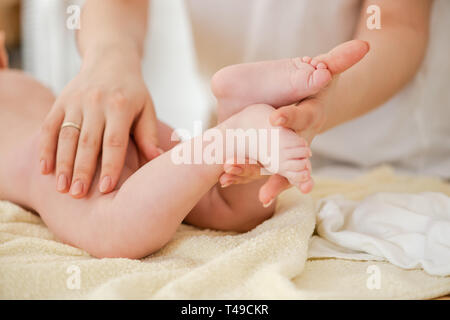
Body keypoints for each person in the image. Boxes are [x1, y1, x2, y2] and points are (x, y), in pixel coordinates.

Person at [0, 33, 368, 258]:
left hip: (52, 155)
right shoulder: (23, 82)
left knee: (114, 229)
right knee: (226, 207)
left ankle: (230, 136)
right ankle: (243, 106)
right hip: (110, 116)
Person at [38, 0, 438, 203]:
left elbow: (395, 19)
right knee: (229, 200)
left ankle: (247, 114)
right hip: (250, 138)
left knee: (222, 204)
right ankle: (244, 110)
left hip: (389, 143)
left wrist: (326, 104)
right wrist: (110, 58)